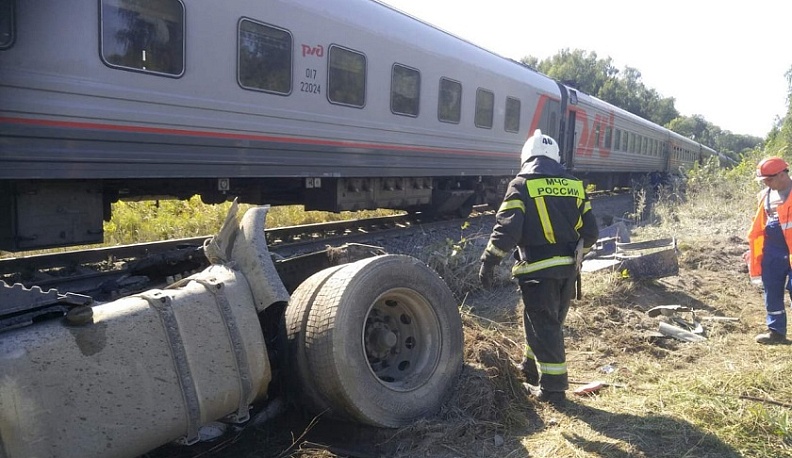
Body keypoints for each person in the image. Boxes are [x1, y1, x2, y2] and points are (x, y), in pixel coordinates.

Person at [479, 129, 599, 404]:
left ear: (526, 156)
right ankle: (531, 369)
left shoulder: (521, 184)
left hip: (537, 270)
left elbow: (507, 229)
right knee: (544, 322)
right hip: (568, 272)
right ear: (554, 157)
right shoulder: (574, 185)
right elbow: (590, 233)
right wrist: (576, 259)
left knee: (544, 326)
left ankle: (553, 390)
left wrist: (490, 260)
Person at [745, 156, 792, 345]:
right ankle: (776, 332)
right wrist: (752, 250)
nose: (766, 183)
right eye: (763, 180)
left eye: (769, 179)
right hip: (772, 249)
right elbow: (759, 225)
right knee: (771, 289)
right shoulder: (765, 195)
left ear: (782, 175)